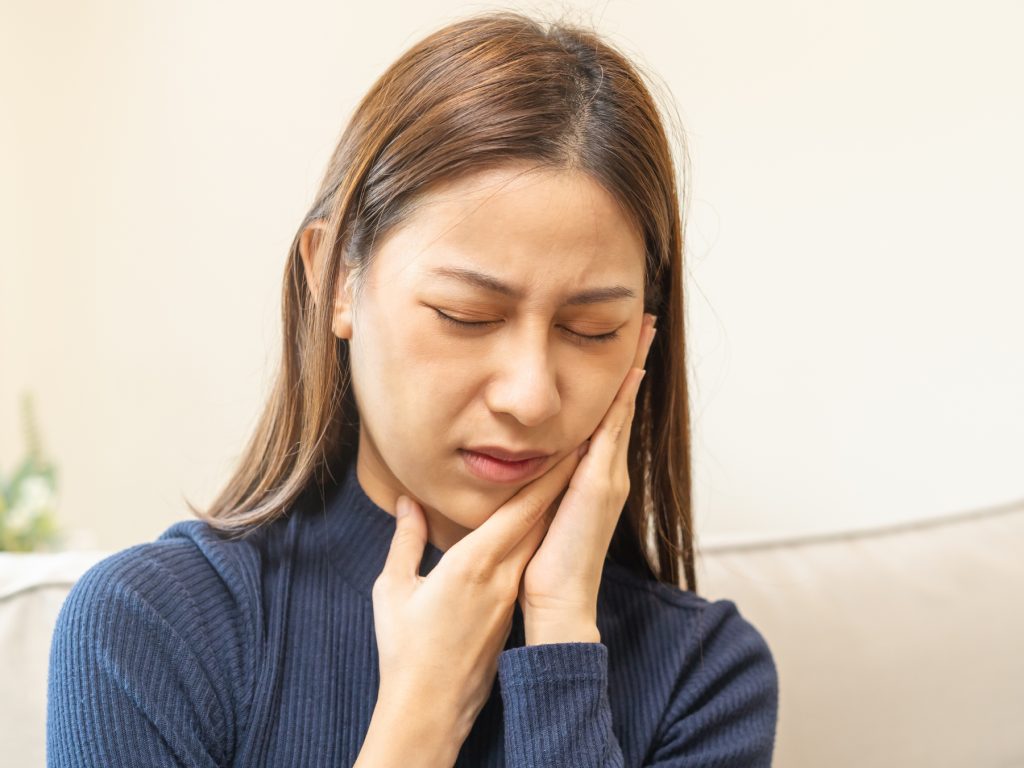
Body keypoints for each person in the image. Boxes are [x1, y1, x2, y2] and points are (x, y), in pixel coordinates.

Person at [47, 10, 778, 767]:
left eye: (591, 329)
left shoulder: (703, 672)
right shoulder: (150, 627)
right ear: (335, 278)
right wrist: (420, 715)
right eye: (466, 316)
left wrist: (559, 636)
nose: (530, 397)